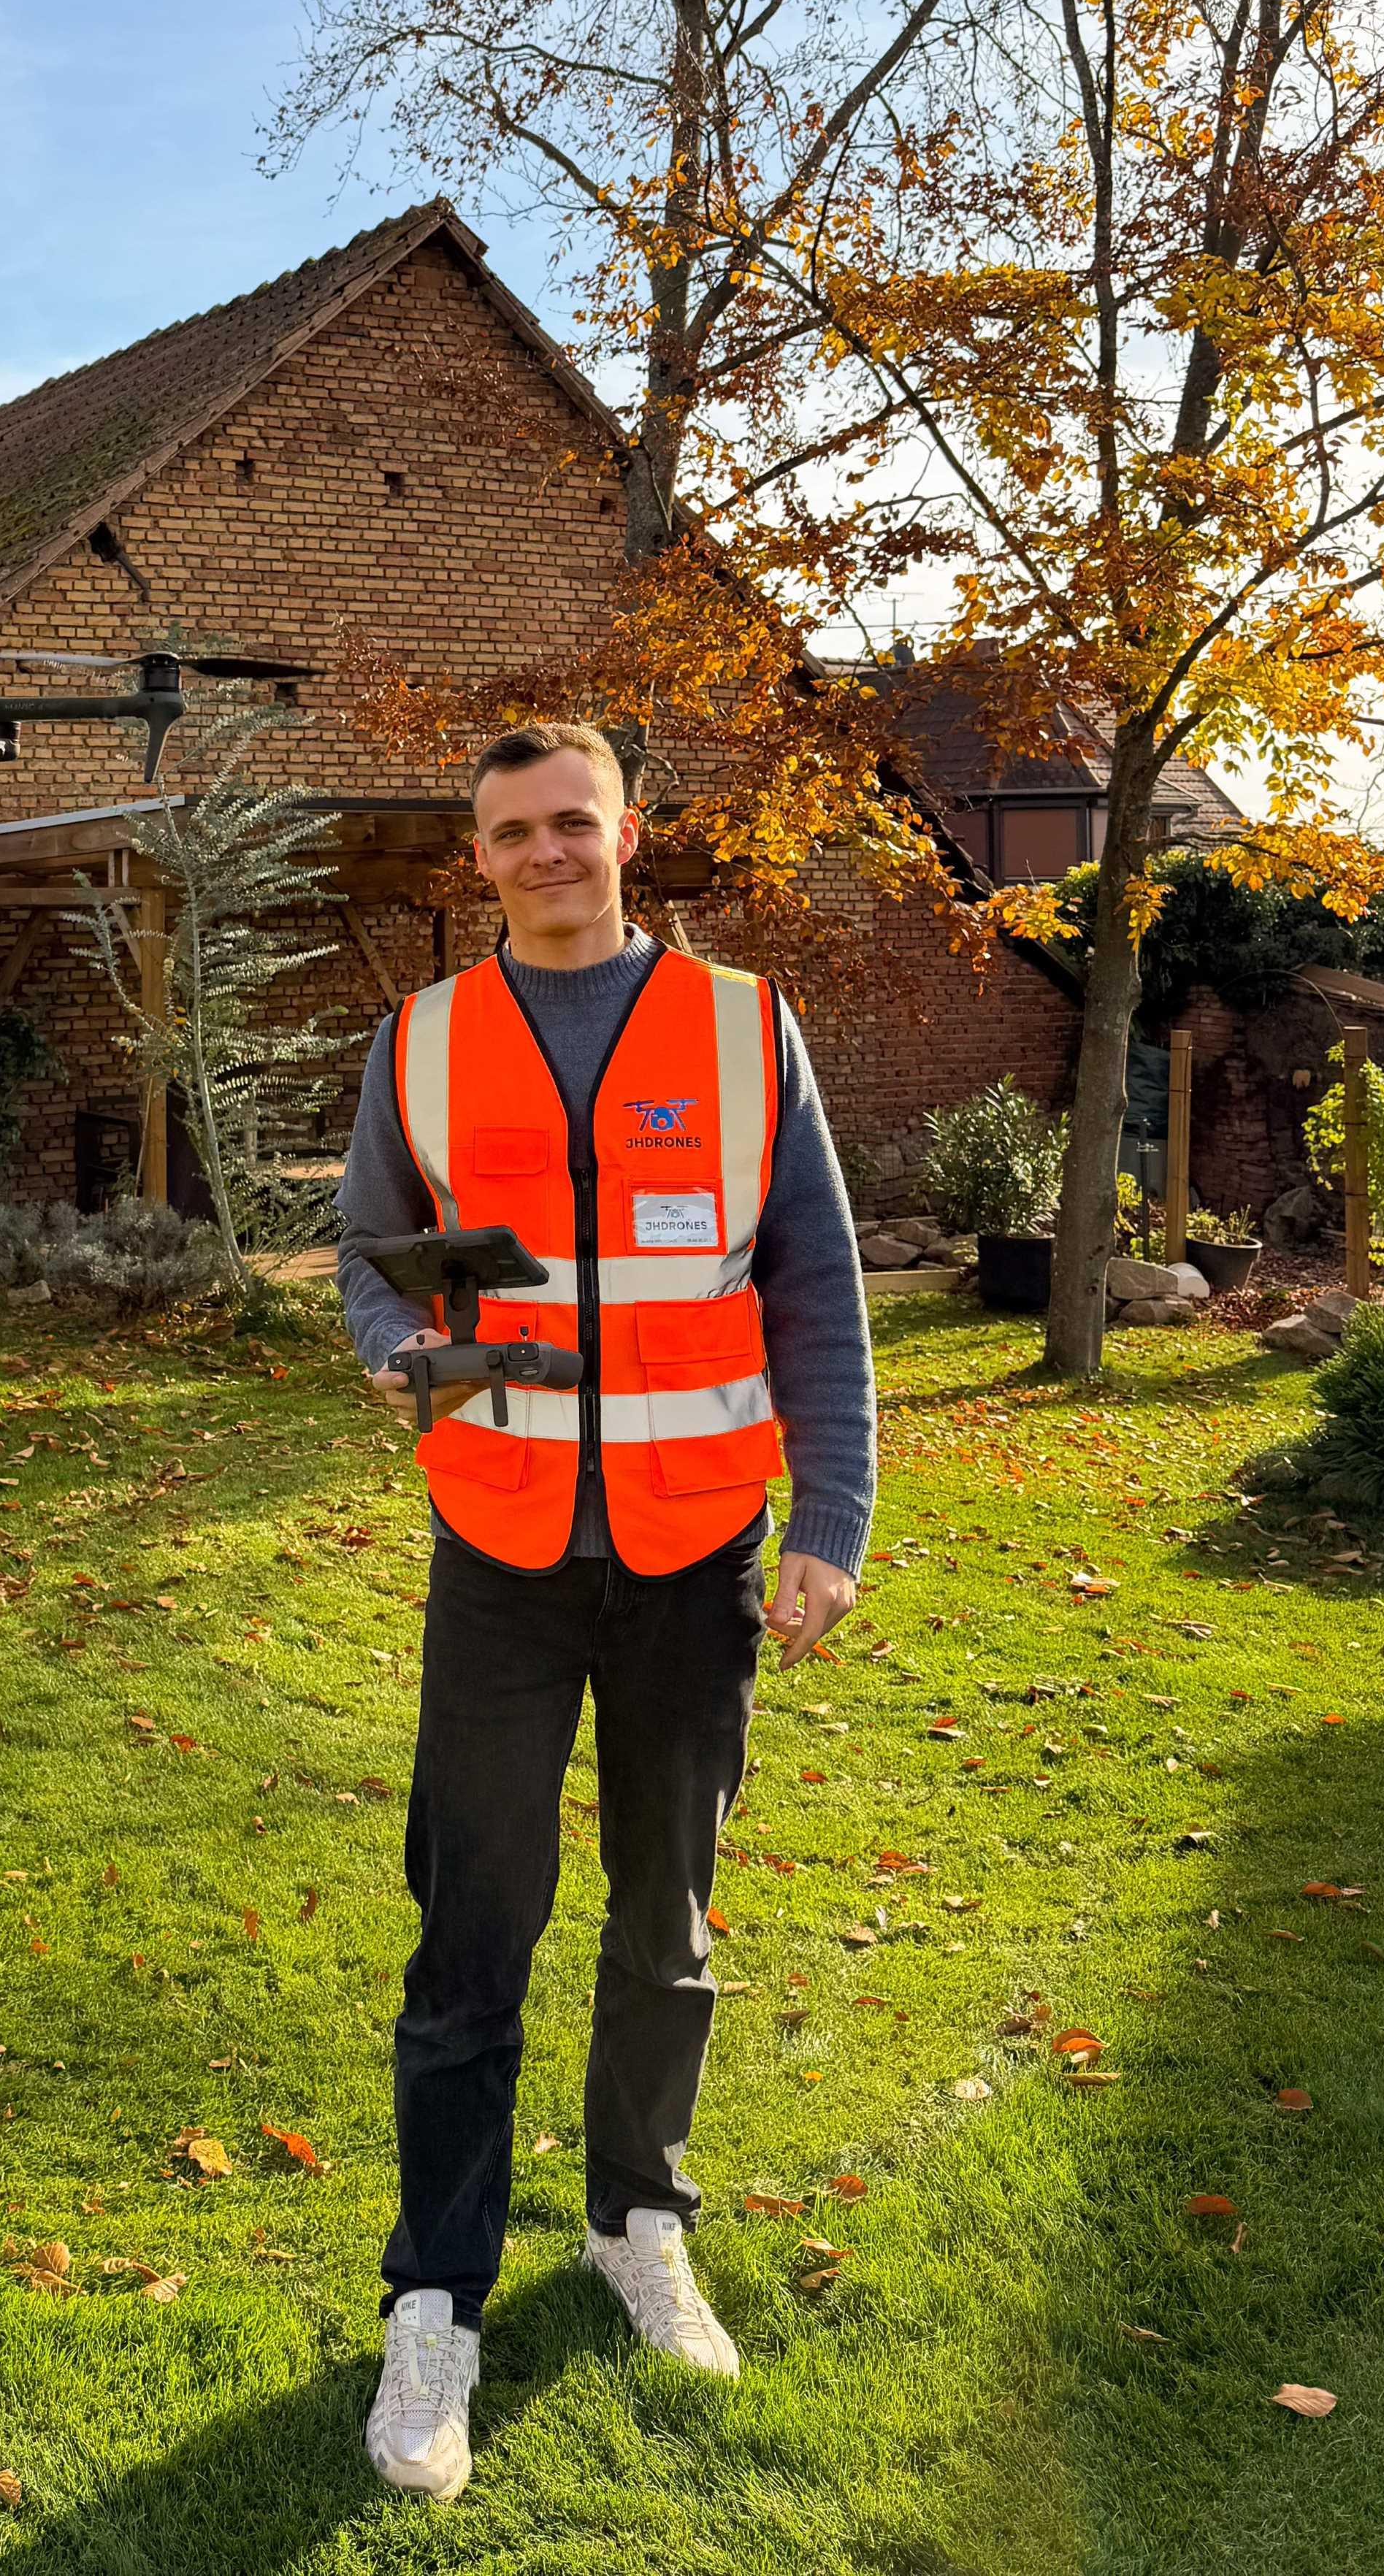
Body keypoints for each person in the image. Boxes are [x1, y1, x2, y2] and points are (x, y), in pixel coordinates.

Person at [342, 721, 875, 2502]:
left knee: (667, 1908)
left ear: (628, 832)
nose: (550, 850)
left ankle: (638, 2216)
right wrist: (402, 1356)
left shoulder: (740, 1022)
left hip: (694, 1545)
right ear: (476, 860)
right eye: (514, 831)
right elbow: (368, 1253)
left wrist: (832, 1512)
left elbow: (814, 1274)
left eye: (576, 819)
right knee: (468, 1930)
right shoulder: (418, 1039)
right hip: (495, 1546)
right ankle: (436, 2296)